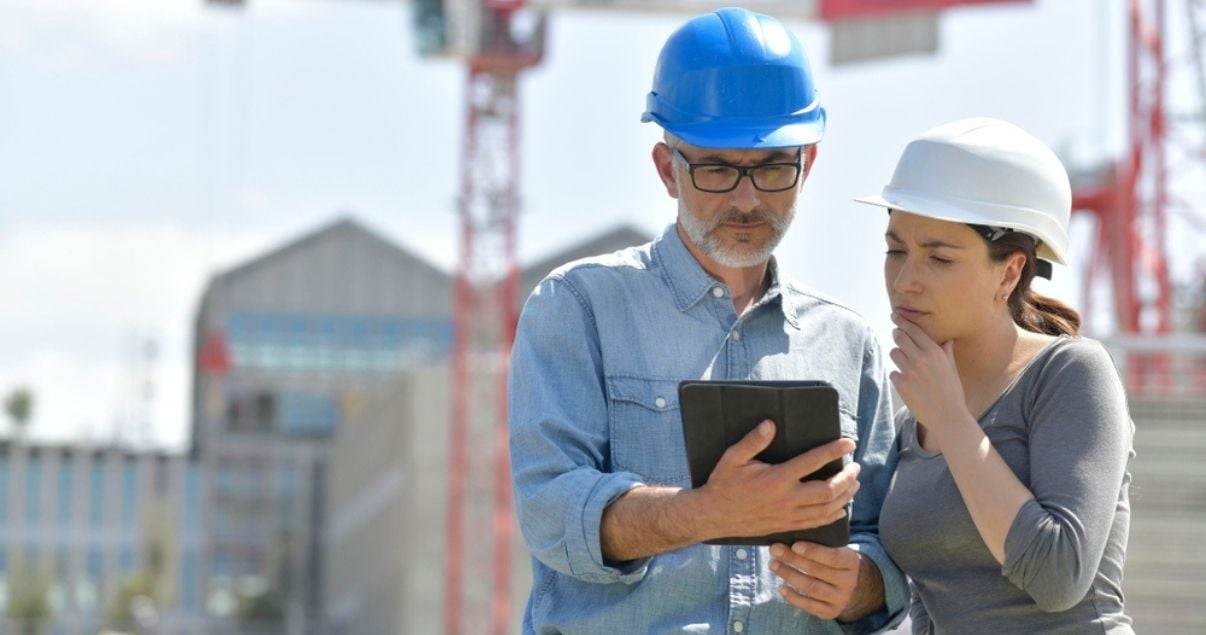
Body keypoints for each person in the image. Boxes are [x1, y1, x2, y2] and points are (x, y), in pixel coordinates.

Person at [507, 7, 908, 634]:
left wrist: (863, 584)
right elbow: (551, 514)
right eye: (718, 169)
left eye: (773, 167)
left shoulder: (847, 342)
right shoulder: (579, 307)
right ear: (668, 169)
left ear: (809, 165)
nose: (747, 198)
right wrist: (705, 513)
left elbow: (888, 540)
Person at [772, 117, 1135, 632]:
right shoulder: (912, 417)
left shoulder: (1070, 373)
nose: (904, 280)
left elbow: (1059, 575)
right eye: (896, 250)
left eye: (938, 258)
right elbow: (931, 602)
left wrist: (951, 418)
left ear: (1009, 272)